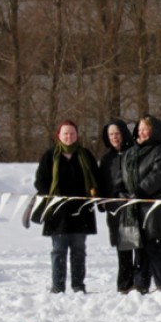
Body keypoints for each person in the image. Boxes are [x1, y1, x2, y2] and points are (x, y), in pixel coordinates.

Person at [33, 120, 99, 294]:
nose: (69, 137)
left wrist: (95, 193)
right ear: (59, 136)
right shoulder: (50, 156)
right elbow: (40, 181)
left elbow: (96, 179)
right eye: (65, 134)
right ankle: (58, 286)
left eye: (72, 133)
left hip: (81, 212)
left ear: (77, 135)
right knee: (58, 251)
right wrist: (52, 196)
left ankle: (78, 285)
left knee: (78, 251)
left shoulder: (85, 155)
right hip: (57, 213)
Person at [121, 115, 161, 294]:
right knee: (139, 245)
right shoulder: (131, 152)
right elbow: (126, 175)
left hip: (156, 205)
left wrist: (140, 191)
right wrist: (124, 191)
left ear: (154, 131)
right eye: (139, 129)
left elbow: (159, 175)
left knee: (156, 244)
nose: (141, 132)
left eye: (145, 129)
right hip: (136, 204)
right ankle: (140, 283)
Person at [96, 119, 136, 293]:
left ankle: (139, 282)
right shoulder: (106, 158)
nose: (114, 137)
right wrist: (102, 201)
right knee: (122, 249)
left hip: (132, 207)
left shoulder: (134, 153)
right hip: (114, 208)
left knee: (135, 246)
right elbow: (102, 183)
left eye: (117, 133)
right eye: (111, 134)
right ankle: (124, 285)